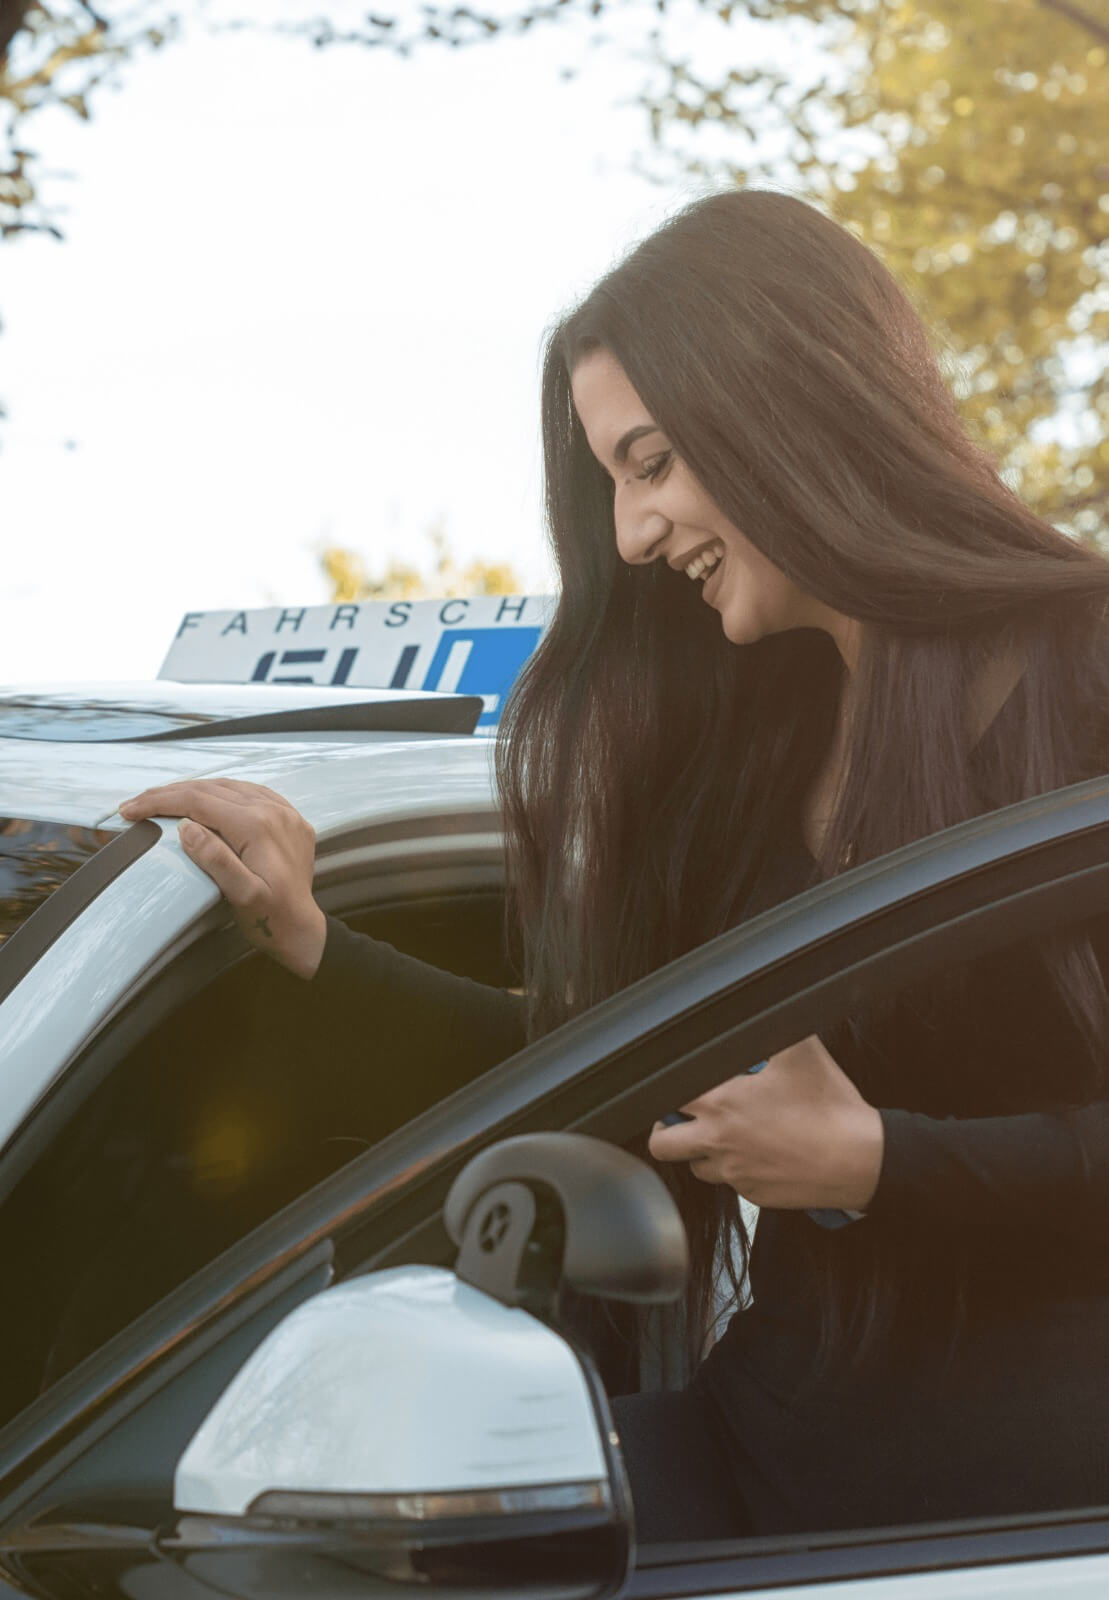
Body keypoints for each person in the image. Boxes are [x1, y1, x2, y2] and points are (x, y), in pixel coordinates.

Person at [121, 189, 1109, 1541]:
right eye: (613, 486)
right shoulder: (770, 751)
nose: (634, 536)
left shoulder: (1087, 672)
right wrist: (315, 943)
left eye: (648, 464)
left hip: (1017, 1521)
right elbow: (615, 1082)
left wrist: (884, 1160)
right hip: (770, 1454)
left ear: (786, 407)